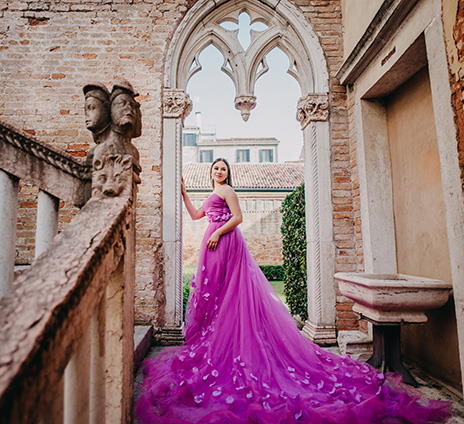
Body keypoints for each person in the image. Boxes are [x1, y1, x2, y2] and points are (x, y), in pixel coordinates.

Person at [135, 158, 450, 424]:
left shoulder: (228, 190)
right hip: (211, 243)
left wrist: (218, 232)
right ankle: (215, 341)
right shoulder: (212, 191)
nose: (219, 172)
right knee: (213, 296)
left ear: (228, 173)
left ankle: (234, 344)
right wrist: (185, 193)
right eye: (216, 169)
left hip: (225, 243)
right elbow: (194, 216)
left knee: (229, 294)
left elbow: (239, 218)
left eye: (222, 169)